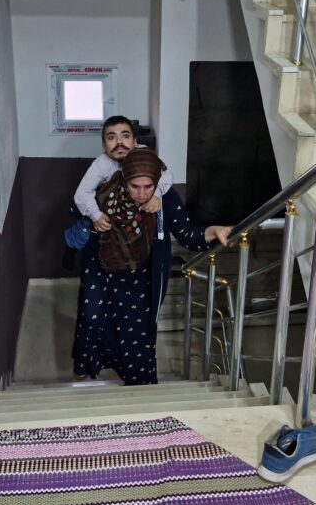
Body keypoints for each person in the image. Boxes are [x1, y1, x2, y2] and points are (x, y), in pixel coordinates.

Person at [71, 148, 232, 385]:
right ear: (124, 180)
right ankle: (96, 363)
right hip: (104, 271)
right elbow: (79, 210)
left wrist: (215, 230)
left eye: (148, 186)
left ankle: (139, 387)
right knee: (95, 319)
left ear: (156, 182)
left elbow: (189, 235)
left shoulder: (165, 199)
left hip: (143, 281)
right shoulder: (106, 192)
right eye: (134, 186)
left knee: (137, 339)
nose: (142, 194)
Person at [74, 115, 173, 233]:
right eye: (111, 137)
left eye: (125, 136)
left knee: (170, 197)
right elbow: (82, 193)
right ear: (104, 147)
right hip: (115, 211)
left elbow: (166, 175)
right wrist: (96, 216)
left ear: (135, 142)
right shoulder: (101, 164)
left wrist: (156, 195)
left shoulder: (144, 153)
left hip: (140, 209)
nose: (119, 142)